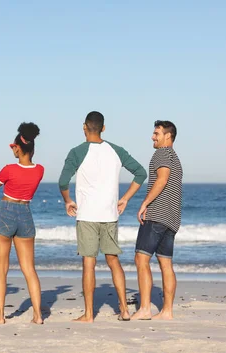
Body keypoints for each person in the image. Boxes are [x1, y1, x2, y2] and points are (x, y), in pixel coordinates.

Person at [58, 111, 147, 322]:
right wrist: (125, 199)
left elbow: (63, 181)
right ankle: (124, 310)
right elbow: (141, 173)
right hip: (110, 215)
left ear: (84, 127)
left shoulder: (77, 152)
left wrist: (68, 200)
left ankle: (89, 315)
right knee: (113, 261)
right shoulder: (116, 150)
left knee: (89, 264)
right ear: (103, 128)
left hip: (87, 215)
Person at [0, 122, 44, 325]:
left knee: (1, 269)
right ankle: (38, 315)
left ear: (18, 147)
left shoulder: (9, 169)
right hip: (26, 213)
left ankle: (0, 316)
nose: (13, 151)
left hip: (6, 212)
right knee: (29, 269)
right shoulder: (40, 170)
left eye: (14, 147)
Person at [131, 120, 182, 321]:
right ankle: (167, 311)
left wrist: (144, 203)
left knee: (141, 259)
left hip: (157, 215)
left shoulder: (161, 153)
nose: (153, 137)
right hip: (172, 218)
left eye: (156, 133)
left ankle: (144, 309)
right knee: (165, 263)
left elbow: (162, 179)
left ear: (167, 136)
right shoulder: (175, 157)